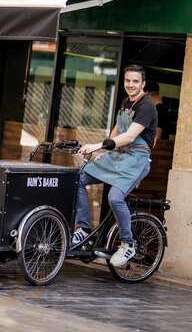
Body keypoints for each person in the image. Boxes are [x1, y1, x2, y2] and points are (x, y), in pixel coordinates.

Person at [73, 64, 157, 268]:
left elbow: (129, 136)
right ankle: (84, 229)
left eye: (135, 81)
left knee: (115, 197)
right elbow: (117, 130)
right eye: (128, 81)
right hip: (119, 156)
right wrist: (102, 152)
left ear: (143, 84)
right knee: (78, 179)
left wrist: (96, 145)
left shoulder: (147, 106)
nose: (131, 84)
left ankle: (128, 244)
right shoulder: (125, 102)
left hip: (136, 160)